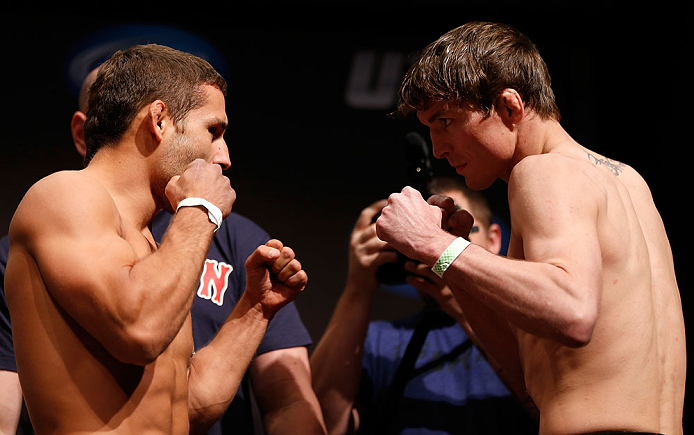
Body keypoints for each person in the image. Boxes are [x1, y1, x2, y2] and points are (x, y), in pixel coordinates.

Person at [374, 21, 686, 435]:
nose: (437, 148)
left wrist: (432, 243)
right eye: (429, 128)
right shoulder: (628, 180)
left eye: (445, 121)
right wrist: (453, 251)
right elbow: (532, 374)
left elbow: (572, 312)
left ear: (510, 107)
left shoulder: (542, 171)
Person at [3, 44, 316, 435]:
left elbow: (187, 406)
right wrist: (201, 208)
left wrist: (255, 308)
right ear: (160, 120)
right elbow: (140, 331)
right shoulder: (65, 195)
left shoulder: (149, 243)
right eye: (213, 131)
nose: (224, 157)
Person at [310, 175, 538, 435]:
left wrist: (461, 299)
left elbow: (547, 410)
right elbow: (320, 425)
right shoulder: (379, 341)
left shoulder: (533, 335)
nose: (435, 249)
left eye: (452, 232)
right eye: (422, 236)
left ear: (494, 239)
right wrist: (357, 288)